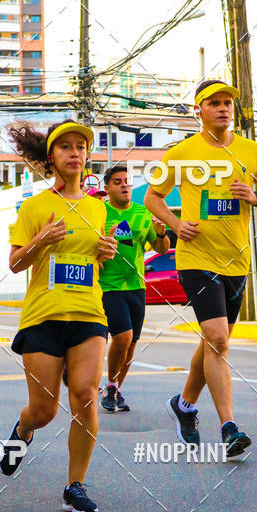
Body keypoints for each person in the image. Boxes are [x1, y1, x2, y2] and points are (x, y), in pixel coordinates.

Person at [144, 79, 257, 458]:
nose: (223, 108)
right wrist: (175, 224)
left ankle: (185, 405)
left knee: (212, 342)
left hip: (237, 261)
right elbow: (152, 197)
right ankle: (229, 428)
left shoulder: (253, 153)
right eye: (214, 103)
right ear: (198, 110)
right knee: (218, 338)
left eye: (227, 103)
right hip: (196, 258)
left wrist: (254, 197)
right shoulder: (182, 153)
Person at [0, 120, 117, 512]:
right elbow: (16, 263)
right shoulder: (35, 206)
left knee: (85, 395)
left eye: (80, 147)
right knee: (45, 410)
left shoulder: (97, 208)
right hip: (43, 317)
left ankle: (75, 485)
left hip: (88, 313)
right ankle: (23, 429)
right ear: (51, 157)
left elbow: (93, 259)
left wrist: (106, 252)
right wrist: (40, 240)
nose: (74, 152)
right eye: (64, 147)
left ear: (87, 156)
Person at [99, 164, 169, 412]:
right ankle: (109, 385)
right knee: (123, 337)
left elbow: (161, 248)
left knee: (132, 343)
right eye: (117, 182)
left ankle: (115, 388)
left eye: (127, 181)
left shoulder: (142, 212)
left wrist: (160, 232)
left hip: (137, 285)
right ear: (107, 189)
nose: (124, 185)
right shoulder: (99, 212)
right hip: (108, 285)